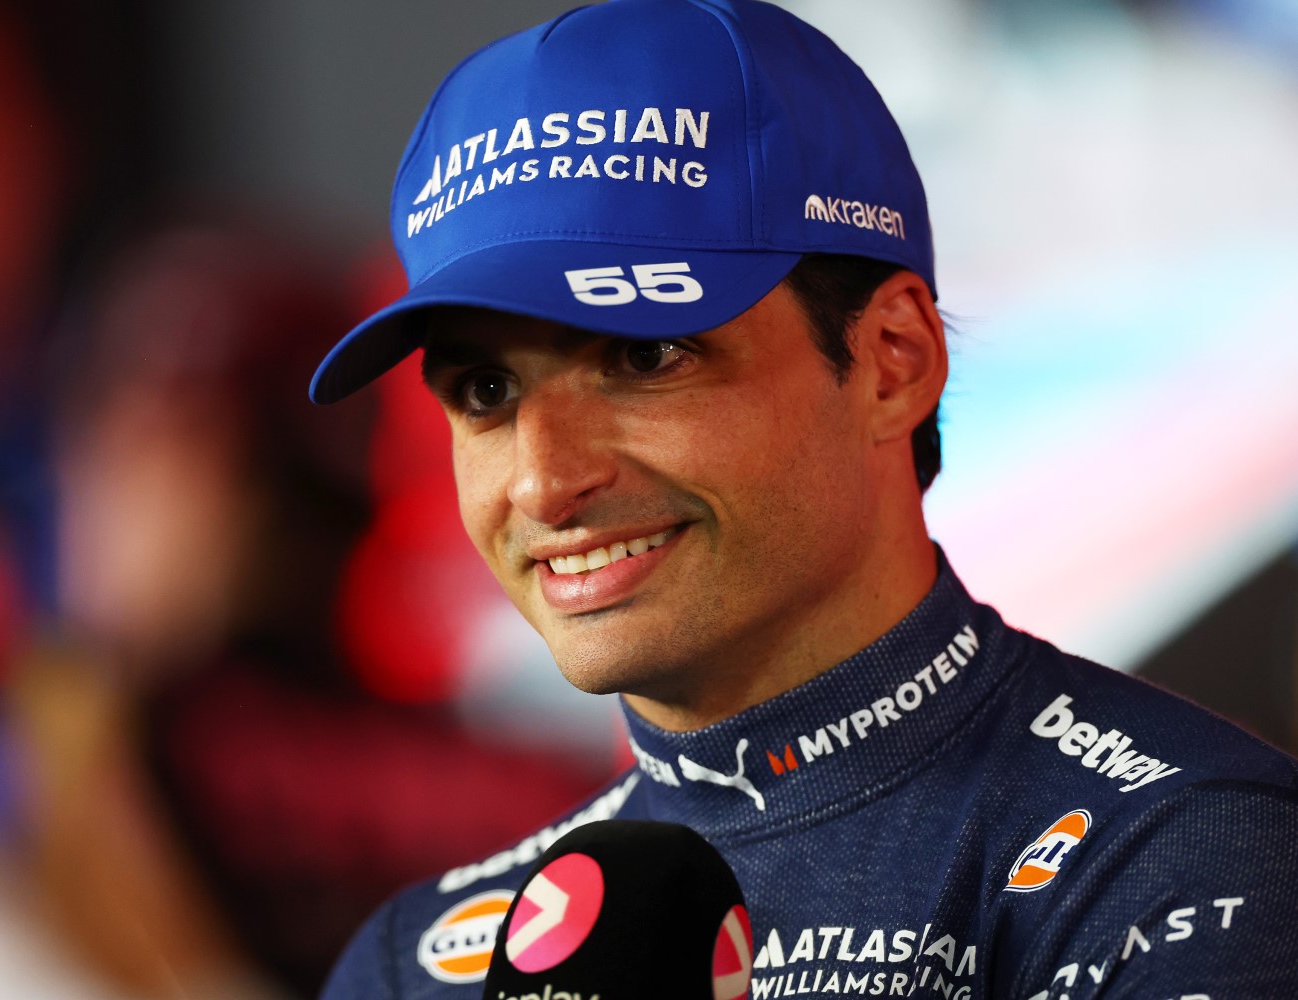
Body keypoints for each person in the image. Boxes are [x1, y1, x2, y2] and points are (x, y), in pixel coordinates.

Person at [308, 1, 1298, 996]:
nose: (543, 481)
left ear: (892, 362)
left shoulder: (1189, 865)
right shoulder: (418, 964)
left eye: (645, 356)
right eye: (486, 392)